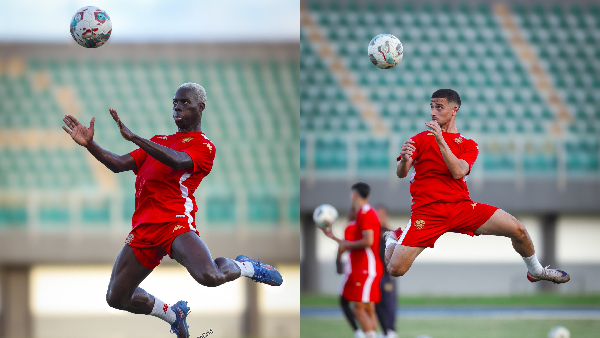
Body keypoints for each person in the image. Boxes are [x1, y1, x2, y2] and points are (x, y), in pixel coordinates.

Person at [61, 82, 282, 338]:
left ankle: (246, 266)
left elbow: (176, 161)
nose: (177, 106)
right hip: (144, 228)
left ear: (200, 108)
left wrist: (135, 138)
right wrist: (90, 144)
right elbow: (119, 164)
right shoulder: (158, 141)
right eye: (175, 102)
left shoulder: (203, 146)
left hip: (174, 222)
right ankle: (172, 314)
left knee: (209, 275)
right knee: (116, 297)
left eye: (184, 102)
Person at [384, 89, 570, 286]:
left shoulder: (468, 144)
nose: (433, 112)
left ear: (454, 110)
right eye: (431, 107)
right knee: (396, 269)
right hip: (428, 212)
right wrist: (404, 159)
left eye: (439, 107)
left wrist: (440, 141)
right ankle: (391, 237)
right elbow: (401, 173)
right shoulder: (419, 139)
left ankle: (537, 271)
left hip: (461, 207)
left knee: (518, 229)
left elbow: (458, 172)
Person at [320, 182, 384, 338]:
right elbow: (351, 243)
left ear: (354, 195)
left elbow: (368, 241)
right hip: (365, 267)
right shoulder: (363, 215)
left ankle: (369, 335)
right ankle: (370, 334)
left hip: (365, 267)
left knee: (358, 309)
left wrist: (346, 244)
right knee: (368, 307)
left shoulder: (365, 212)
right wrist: (333, 237)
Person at [374, 206, 397, 338]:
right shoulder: (373, 231)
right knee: (377, 301)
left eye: (381, 214)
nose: (379, 217)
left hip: (386, 273)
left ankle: (390, 330)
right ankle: (383, 330)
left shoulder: (389, 232)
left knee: (388, 301)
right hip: (375, 272)